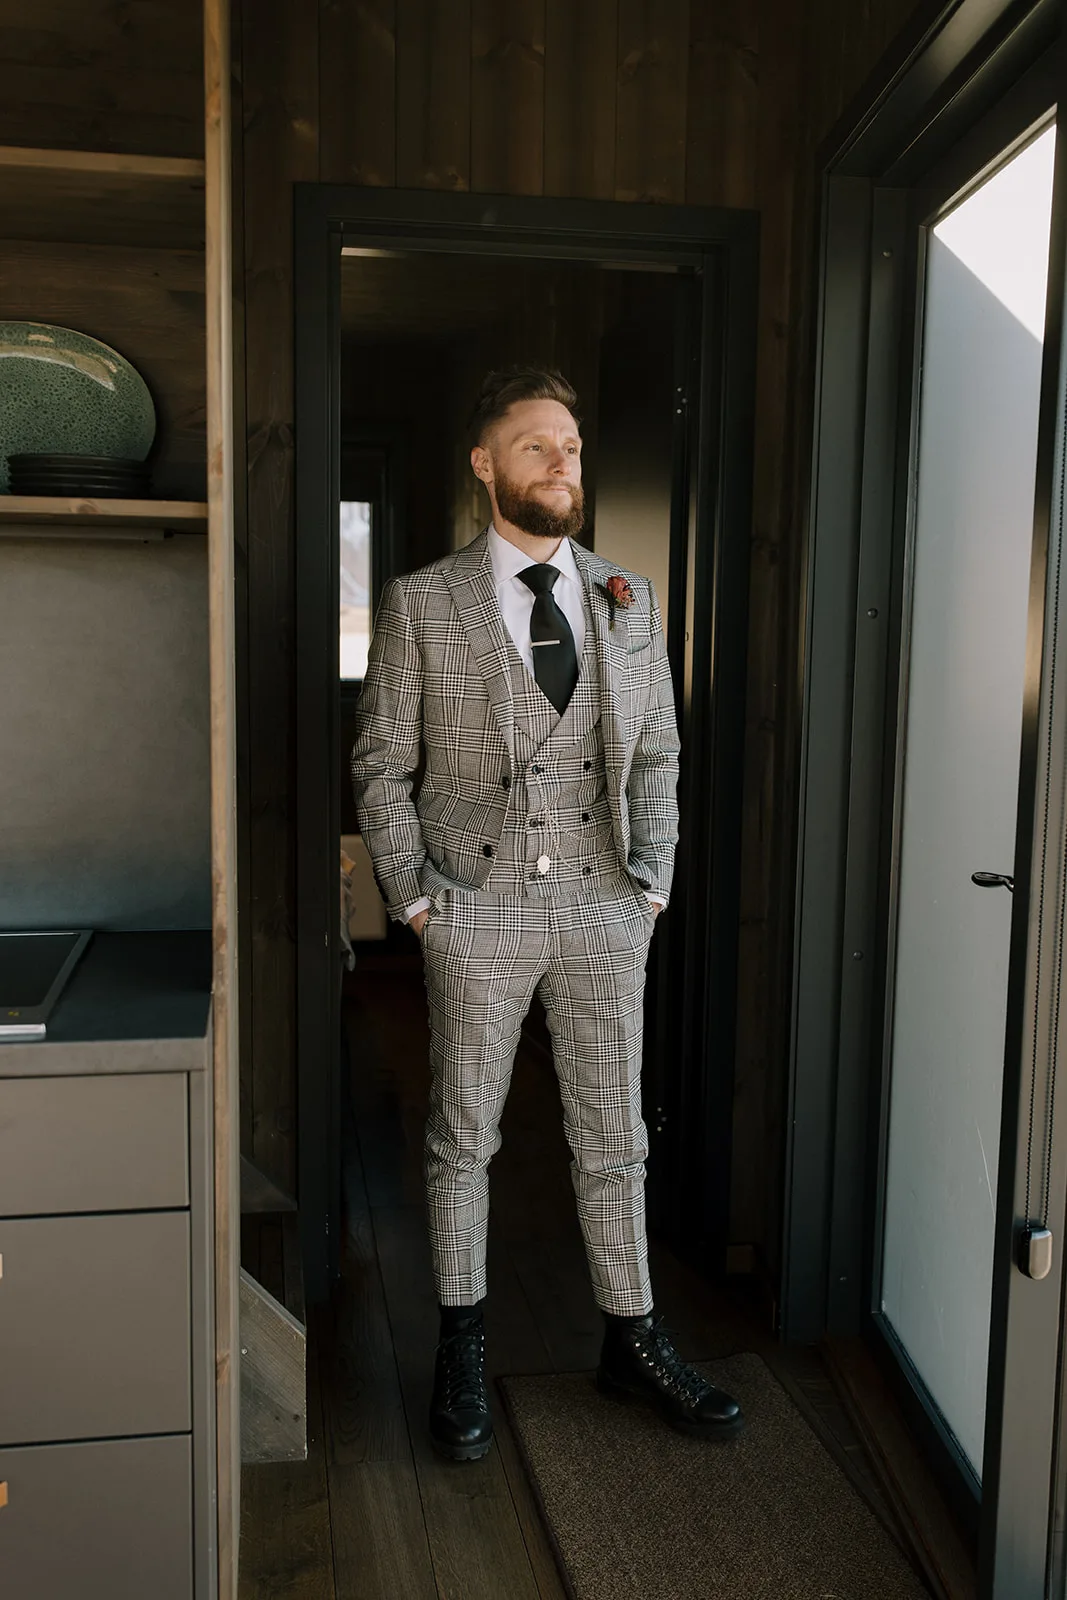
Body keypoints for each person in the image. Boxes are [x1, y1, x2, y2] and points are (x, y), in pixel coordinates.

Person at [351, 366, 743, 1461]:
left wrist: (651, 881)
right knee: (462, 1136)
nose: (561, 463)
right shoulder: (423, 602)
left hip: (605, 905)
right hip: (471, 906)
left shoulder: (628, 596)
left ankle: (633, 1337)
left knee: (614, 1137)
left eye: (569, 445)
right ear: (486, 464)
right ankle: (461, 1342)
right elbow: (380, 765)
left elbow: (657, 752)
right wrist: (414, 900)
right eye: (535, 445)